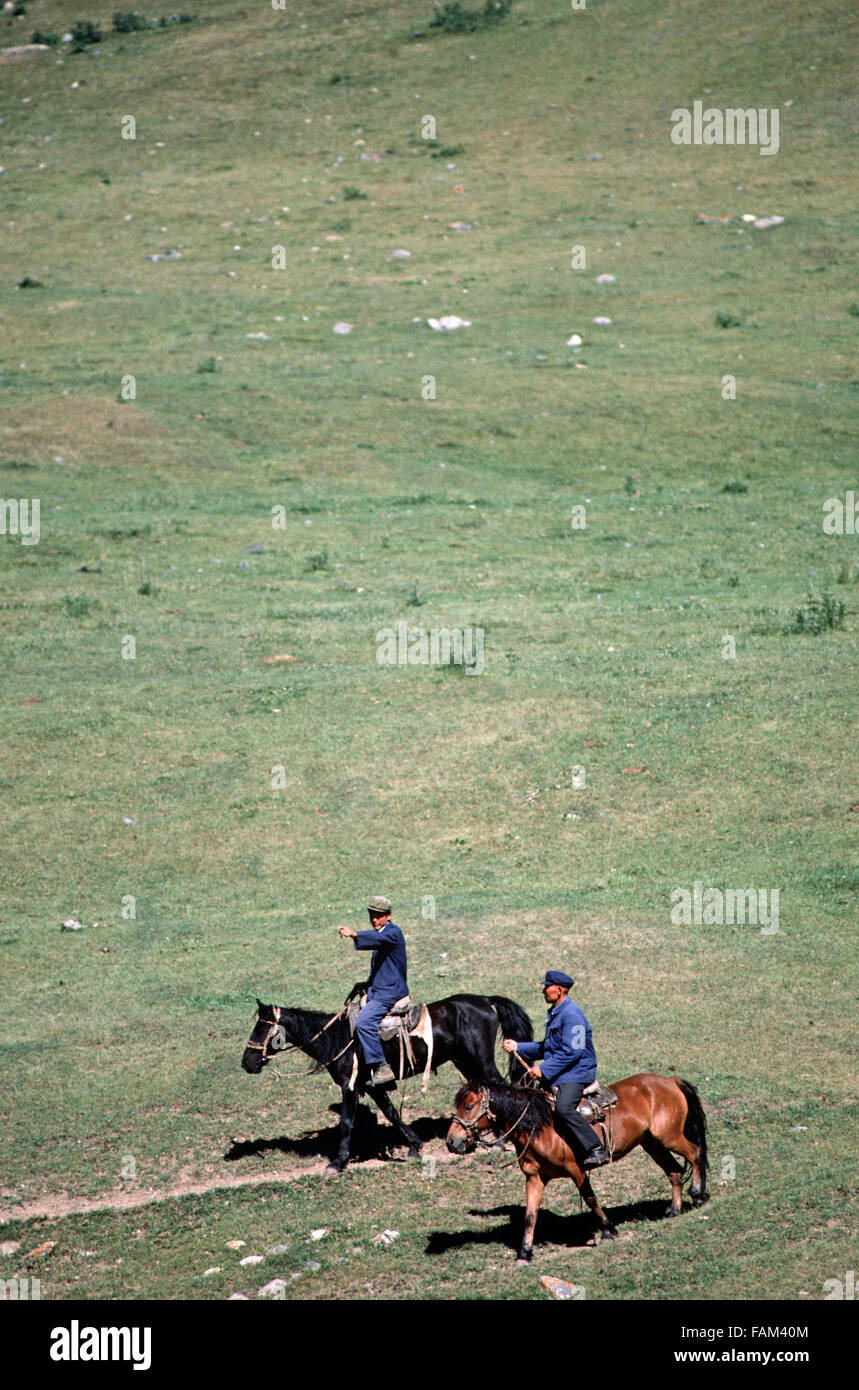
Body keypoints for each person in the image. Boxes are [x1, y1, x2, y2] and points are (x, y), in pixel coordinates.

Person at [503, 970, 609, 1169]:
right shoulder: (557, 1013)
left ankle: (596, 1148)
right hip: (563, 1069)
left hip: (576, 1072)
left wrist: (544, 1069)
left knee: (563, 1108)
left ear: (560, 990)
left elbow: (574, 1052)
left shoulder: (573, 1015)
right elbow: (547, 1048)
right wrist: (518, 1047)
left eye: (547, 987)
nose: (544, 990)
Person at [338, 896, 408, 1086]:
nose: (374, 920)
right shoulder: (384, 934)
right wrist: (366, 984)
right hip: (379, 989)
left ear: (389, 916)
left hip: (389, 993)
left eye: (379, 916)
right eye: (372, 915)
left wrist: (354, 934)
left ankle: (382, 1066)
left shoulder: (392, 933)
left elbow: (377, 938)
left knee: (363, 1022)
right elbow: (385, 969)